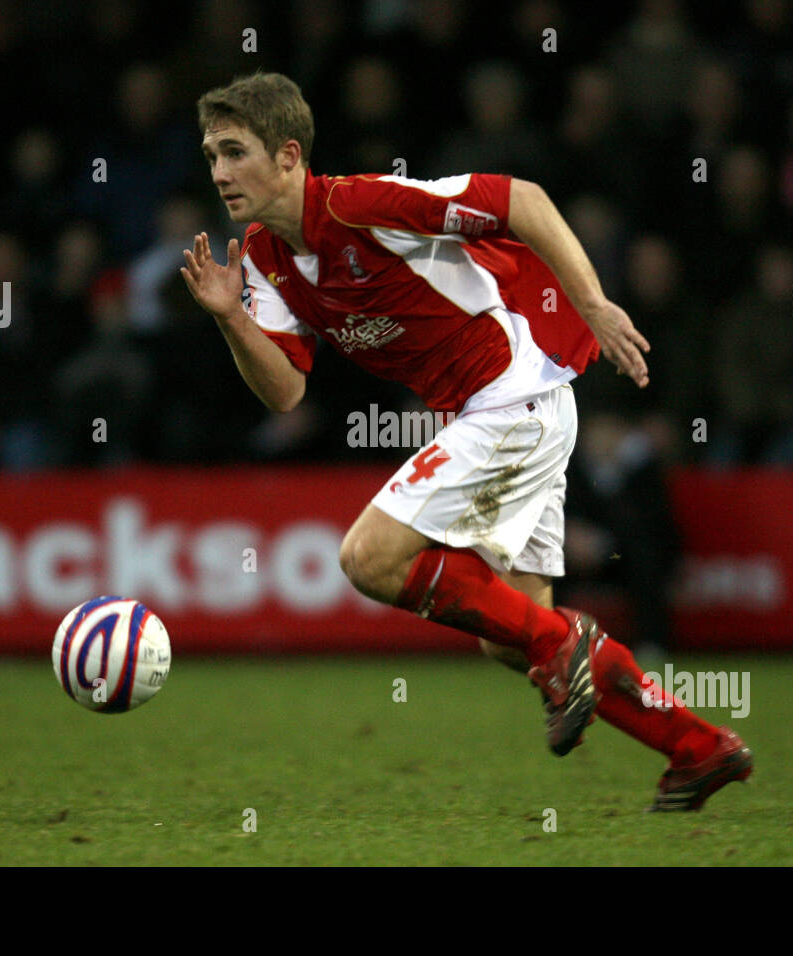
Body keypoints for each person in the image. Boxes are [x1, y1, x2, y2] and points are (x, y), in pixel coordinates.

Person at [181, 72, 751, 810]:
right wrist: (233, 318)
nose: (220, 172)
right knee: (512, 638)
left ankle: (562, 649)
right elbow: (287, 391)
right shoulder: (262, 255)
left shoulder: (361, 204)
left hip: (511, 398)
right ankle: (698, 749)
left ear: (289, 156)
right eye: (210, 155)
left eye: (235, 151)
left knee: (369, 557)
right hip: (510, 412)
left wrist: (595, 303)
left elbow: (524, 201)